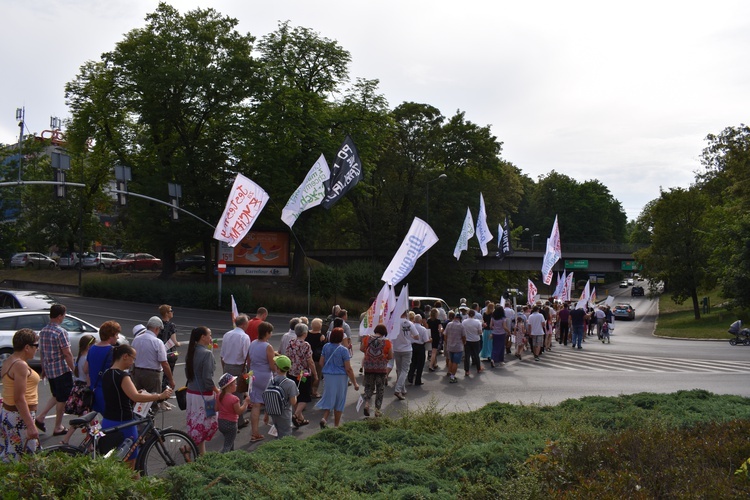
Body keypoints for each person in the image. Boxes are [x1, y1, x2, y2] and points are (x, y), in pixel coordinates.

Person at [102, 344, 173, 465]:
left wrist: (134, 394)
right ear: (125, 356)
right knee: (130, 464)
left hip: (108, 421)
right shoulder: (123, 376)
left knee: (112, 462)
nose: (133, 362)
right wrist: (160, 396)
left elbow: (118, 394)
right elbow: (136, 396)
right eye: (133, 358)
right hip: (125, 423)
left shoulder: (107, 373)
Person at [0, 329, 40, 461]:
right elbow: (19, 398)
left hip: (10, 414)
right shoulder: (20, 365)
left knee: (9, 454)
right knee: (22, 459)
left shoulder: (9, 361)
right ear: (27, 347)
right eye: (36, 346)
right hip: (19, 417)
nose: (37, 349)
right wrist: (30, 425)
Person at [35, 304, 74, 437]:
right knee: (62, 399)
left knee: (56, 395)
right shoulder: (60, 332)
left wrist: (43, 368)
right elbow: (67, 353)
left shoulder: (43, 331)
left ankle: (41, 417)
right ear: (59, 316)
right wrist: (74, 369)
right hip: (61, 370)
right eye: (63, 315)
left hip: (50, 370)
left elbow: (42, 352)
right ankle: (58, 427)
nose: (64, 317)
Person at [185, 326, 219, 455]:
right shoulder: (207, 354)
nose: (211, 338)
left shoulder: (191, 351)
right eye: (209, 335)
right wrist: (216, 390)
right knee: (208, 425)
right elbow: (207, 378)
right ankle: (188, 448)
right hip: (204, 395)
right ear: (203, 337)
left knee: (196, 424)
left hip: (191, 393)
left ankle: (200, 453)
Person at [315, 327, 358, 428]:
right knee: (339, 400)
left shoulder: (326, 347)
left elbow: (321, 362)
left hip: (328, 376)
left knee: (329, 397)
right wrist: (355, 382)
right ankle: (336, 425)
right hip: (340, 377)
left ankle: (324, 418)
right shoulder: (343, 350)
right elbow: (348, 368)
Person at [60, 334, 95, 444]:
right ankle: (89, 442)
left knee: (85, 417)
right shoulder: (87, 359)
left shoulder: (79, 357)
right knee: (88, 416)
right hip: (85, 389)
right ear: (89, 346)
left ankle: (86, 441)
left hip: (78, 388)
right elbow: (88, 375)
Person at [247, 321, 276, 443]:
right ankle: (275, 427)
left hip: (254, 375)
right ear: (267, 333)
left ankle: (254, 433)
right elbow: (272, 365)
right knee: (272, 400)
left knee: (256, 405)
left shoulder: (253, 343)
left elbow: (249, 360)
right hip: (265, 376)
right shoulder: (268, 346)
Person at [131, 316, 175, 394]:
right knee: (152, 400)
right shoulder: (157, 342)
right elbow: (164, 363)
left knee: (138, 400)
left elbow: (132, 358)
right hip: (152, 375)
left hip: (137, 373)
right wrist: (171, 380)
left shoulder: (136, 340)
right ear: (156, 328)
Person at [85, 320, 121, 415]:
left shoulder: (91, 348)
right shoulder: (112, 351)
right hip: (107, 392)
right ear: (110, 336)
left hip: (94, 390)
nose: (117, 337)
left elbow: (86, 369)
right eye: (116, 335)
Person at [286, 323, 317, 428]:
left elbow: (287, 356)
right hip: (303, 374)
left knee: (294, 395)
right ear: (304, 333)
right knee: (304, 396)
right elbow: (310, 361)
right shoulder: (305, 345)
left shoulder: (290, 343)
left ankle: (300, 418)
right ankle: (296, 415)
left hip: (291, 373)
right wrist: (315, 374)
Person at [360, 324, 392, 417]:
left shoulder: (367, 338)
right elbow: (390, 356)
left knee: (368, 387)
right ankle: (377, 411)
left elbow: (362, 349)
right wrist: (383, 357)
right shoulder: (387, 342)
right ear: (384, 333)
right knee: (380, 389)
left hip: (369, 367)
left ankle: (366, 404)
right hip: (381, 369)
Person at [220, 314, 251, 405]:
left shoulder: (227, 334)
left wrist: (224, 368)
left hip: (227, 367)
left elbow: (222, 355)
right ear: (244, 324)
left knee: (227, 393)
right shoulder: (244, 337)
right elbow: (247, 356)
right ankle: (238, 418)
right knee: (238, 395)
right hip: (239, 368)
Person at [216, 373, 250, 453]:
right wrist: (246, 403)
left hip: (221, 423)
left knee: (229, 441)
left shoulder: (219, 395)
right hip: (231, 424)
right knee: (227, 445)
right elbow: (239, 411)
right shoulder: (234, 399)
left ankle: (231, 456)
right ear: (229, 386)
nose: (236, 385)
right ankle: (222, 458)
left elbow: (216, 408)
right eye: (235, 384)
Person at [267, 355, 299, 439]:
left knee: (277, 433)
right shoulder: (290, 383)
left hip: (273, 412)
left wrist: (266, 415)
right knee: (285, 436)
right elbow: (293, 402)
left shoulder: (271, 381)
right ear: (288, 369)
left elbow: (268, 397)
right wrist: (295, 395)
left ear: (277, 368)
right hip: (285, 413)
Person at [392, 312, 418, 400]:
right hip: (407, 349)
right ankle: (398, 389)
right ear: (405, 313)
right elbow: (417, 336)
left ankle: (403, 389)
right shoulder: (409, 323)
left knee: (399, 370)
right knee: (404, 370)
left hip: (396, 348)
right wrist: (411, 337)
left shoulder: (394, 323)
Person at [158, 304, 180, 392]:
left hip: (159, 350)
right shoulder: (171, 325)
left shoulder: (158, 324)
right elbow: (175, 342)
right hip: (169, 352)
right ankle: (164, 393)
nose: (172, 312)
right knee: (167, 375)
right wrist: (178, 344)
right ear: (166, 313)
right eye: (171, 311)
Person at [407, 313, 431, 386]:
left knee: (413, 362)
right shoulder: (423, 329)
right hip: (420, 347)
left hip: (412, 346)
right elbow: (426, 340)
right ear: (420, 320)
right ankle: (418, 380)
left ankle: (410, 376)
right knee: (420, 364)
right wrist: (430, 340)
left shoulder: (411, 327)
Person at [306, 318, 327, 398]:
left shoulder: (307, 334)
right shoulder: (321, 336)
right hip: (317, 358)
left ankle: (308, 389)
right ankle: (314, 391)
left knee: (308, 374)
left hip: (308, 358)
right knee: (317, 374)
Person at [443, 312, 465, 383]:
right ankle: (452, 377)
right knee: (455, 362)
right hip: (458, 347)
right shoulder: (461, 326)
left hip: (450, 346)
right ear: (460, 319)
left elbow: (445, 335)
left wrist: (447, 342)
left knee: (450, 360)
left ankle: (449, 371)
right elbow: (463, 336)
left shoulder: (449, 324)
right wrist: (464, 343)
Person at [462, 309, 484, 376]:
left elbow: (462, 331)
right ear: (474, 315)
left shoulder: (464, 322)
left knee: (467, 356)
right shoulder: (477, 322)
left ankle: (467, 371)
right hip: (476, 340)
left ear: (468, 314)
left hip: (467, 340)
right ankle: (478, 368)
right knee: (476, 355)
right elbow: (480, 332)